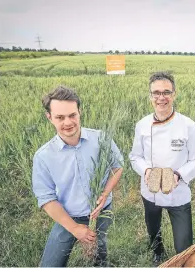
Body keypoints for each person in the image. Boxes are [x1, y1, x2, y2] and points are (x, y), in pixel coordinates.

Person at [32, 86, 124, 267]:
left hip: (101, 211)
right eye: (60, 117)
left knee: (99, 254)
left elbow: (117, 166)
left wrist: (105, 194)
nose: (68, 122)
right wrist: (74, 229)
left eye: (72, 115)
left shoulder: (101, 139)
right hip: (68, 216)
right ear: (49, 117)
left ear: (79, 112)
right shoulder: (43, 156)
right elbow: (46, 198)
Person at [129, 71, 195, 265]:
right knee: (153, 229)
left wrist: (179, 175)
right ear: (150, 96)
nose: (161, 97)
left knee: (184, 246)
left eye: (166, 92)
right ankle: (157, 250)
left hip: (178, 193)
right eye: (156, 93)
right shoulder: (142, 125)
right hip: (150, 191)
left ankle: (182, 258)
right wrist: (146, 171)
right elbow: (135, 157)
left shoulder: (188, 125)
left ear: (174, 94)